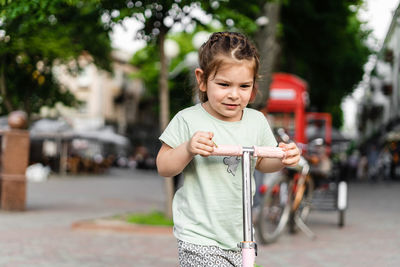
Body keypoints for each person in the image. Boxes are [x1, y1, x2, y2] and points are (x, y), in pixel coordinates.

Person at [156, 32, 300, 267]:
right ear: (202, 80)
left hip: (240, 236)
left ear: (253, 87)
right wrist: (188, 148)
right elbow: (164, 166)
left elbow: (264, 162)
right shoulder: (188, 119)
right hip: (199, 236)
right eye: (224, 84)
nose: (234, 94)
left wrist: (283, 157)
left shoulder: (256, 121)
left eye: (244, 86)